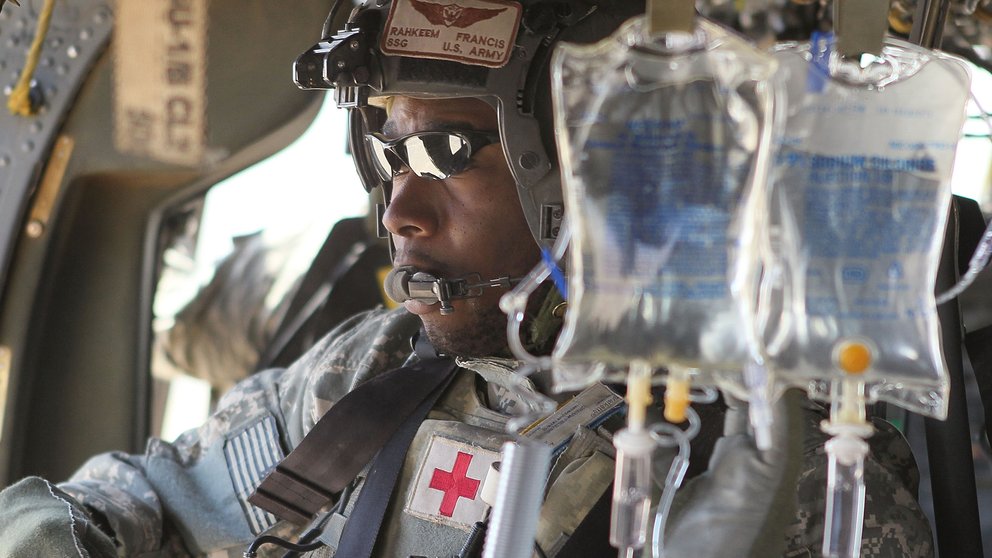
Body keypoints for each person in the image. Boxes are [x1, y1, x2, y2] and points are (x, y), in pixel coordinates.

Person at [0, 1, 934, 556]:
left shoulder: (785, 475)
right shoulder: (366, 375)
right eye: (391, 151)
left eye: (450, 150)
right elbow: (135, 499)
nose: (400, 209)